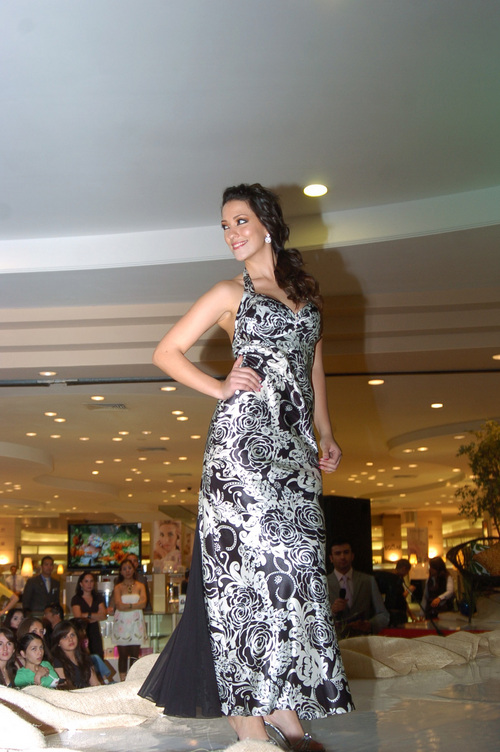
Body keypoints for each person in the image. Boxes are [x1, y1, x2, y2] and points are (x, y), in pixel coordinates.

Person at [139, 183, 353, 749]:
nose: (232, 233)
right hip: (242, 451)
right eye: (225, 226)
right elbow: (165, 352)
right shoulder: (228, 293)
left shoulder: (306, 295)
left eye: (240, 221)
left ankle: (283, 700)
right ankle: (246, 713)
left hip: (295, 452)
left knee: (298, 572)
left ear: (267, 224)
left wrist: (325, 433)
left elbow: (314, 368)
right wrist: (219, 387)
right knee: (244, 578)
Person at [327, 539, 389, 635]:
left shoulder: (368, 580)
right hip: (337, 640)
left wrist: (369, 625)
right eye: (338, 553)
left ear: (352, 556)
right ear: (331, 558)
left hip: (363, 639)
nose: (342, 557)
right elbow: (315, 620)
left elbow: (383, 614)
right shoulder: (323, 584)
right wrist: (332, 611)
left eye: (346, 552)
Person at [112, 558, 146, 681]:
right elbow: (118, 605)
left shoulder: (140, 586)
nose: (127, 571)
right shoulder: (118, 587)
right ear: (121, 571)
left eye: (130, 568)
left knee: (134, 654)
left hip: (136, 623)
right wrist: (135, 605)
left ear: (134, 570)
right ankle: (122, 681)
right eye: (124, 569)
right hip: (122, 623)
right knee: (122, 654)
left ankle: (132, 680)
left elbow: (143, 603)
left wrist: (127, 606)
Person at [50, 620, 100, 689]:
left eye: (72, 635)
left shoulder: (85, 658)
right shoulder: (57, 661)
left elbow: (95, 684)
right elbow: (63, 687)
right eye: (64, 637)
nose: (70, 639)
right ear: (58, 642)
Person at [70, 572, 107, 658]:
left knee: (98, 656)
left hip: (95, 631)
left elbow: (103, 615)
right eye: (86, 581)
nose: (89, 584)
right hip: (82, 631)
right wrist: (95, 616)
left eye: (91, 581)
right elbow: (78, 617)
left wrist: (87, 615)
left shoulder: (98, 597)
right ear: (81, 584)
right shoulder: (76, 599)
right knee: (84, 657)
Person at [375, 559, 415, 627]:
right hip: (396, 615)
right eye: (407, 571)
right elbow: (399, 598)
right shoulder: (394, 580)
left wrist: (411, 614)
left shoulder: (389, 578)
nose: (406, 574)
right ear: (404, 568)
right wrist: (408, 590)